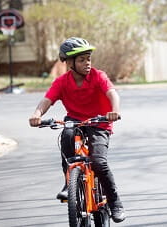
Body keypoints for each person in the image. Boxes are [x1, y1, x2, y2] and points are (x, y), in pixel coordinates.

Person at [29, 37, 125, 223]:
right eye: (81, 60)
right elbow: (47, 100)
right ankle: (69, 183)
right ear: (69, 63)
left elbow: (112, 93)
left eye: (88, 58)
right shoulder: (62, 82)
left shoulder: (98, 76)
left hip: (99, 122)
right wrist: (36, 114)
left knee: (98, 162)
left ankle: (115, 203)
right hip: (75, 121)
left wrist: (114, 111)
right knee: (67, 134)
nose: (87, 63)